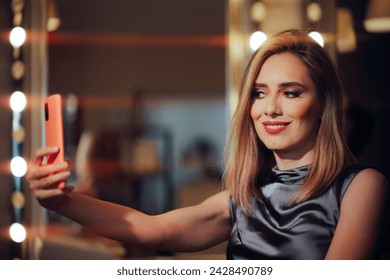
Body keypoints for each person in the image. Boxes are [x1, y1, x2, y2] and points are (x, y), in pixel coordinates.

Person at [27, 29, 388, 259]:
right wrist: (60, 200)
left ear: (323, 104)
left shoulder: (361, 186)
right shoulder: (245, 197)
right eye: (259, 94)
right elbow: (147, 228)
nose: (270, 109)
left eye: (291, 93)